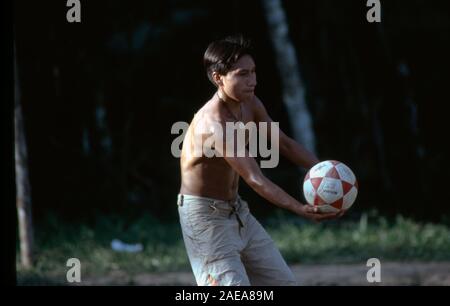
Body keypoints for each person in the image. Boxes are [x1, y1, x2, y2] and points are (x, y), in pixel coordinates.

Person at [177, 34, 345, 286]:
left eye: (254, 72)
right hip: (205, 218)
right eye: (242, 74)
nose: (252, 80)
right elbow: (255, 178)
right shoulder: (214, 123)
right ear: (218, 78)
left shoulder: (250, 103)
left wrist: (326, 171)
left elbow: (285, 144)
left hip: (237, 211)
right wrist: (299, 208)